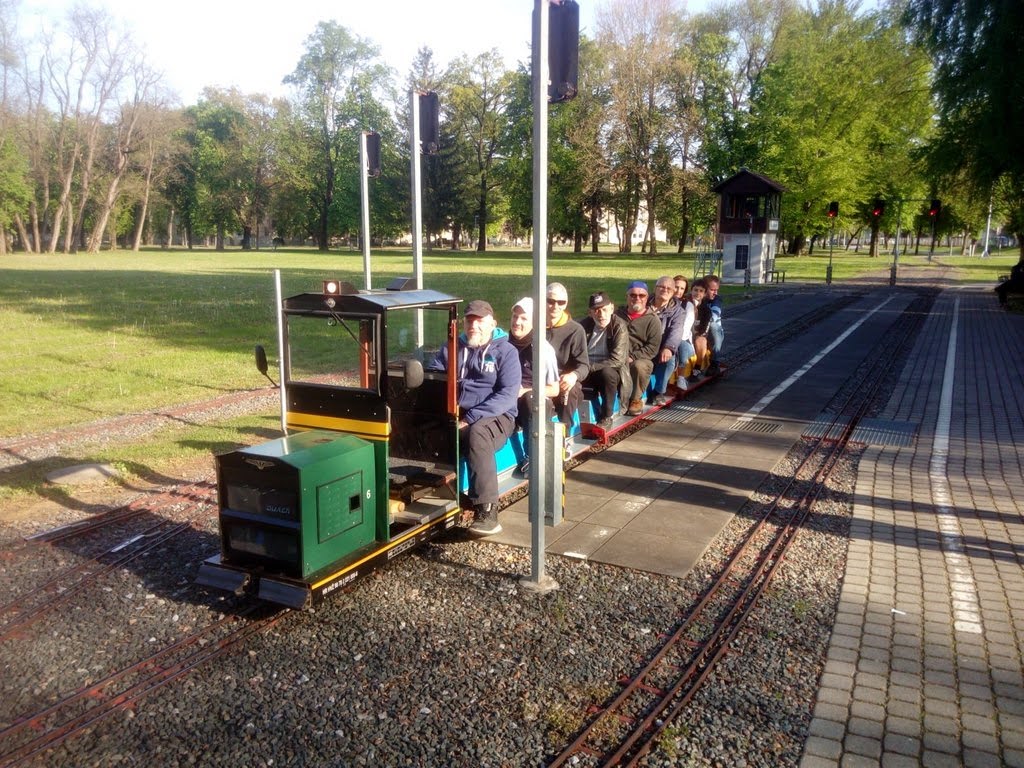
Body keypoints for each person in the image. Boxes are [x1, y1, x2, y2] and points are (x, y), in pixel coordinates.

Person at [426, 299, 521, 536]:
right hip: (458, 413)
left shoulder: (506, 352)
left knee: (477, 434)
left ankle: (487, 512)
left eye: (479, 321)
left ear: (492, 324)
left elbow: (508, 396)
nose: (473, 326)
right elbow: (434, 378)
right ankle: (442, 494)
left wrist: (471, 417)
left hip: (497, 416)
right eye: (470, 321)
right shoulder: (451, 348)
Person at [508, 297, 559, 477]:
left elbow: (554, 389)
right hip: (506, 396)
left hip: (530, 400)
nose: (517, 322)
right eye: (515, 317)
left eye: (523, 318)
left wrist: (525, 391)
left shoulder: (543, 350)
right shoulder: (502, 344)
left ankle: (532, 457)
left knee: (531, 401)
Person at [579, 291, 629, 428]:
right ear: (590, 312)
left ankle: (606, 417)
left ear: (612, 309)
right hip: (586, 368)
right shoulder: (583, 326)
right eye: (596, 310)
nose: (601, 314)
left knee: (608, 374)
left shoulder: (619, 327)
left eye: (604, 309)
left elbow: (617, 360)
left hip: (609, 369)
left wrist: (589, 367)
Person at [545, 282, 590, 425]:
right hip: (535, 378)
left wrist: (573, 376)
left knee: (569, 390)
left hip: (562, 382)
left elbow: (584, 365)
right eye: (550, 301)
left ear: (566, 304)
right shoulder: (532, 325)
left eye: (561, 302)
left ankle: (564, 435)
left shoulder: (575, 330)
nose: (555, 306)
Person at [614, 281, 662, 416]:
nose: (637, 298)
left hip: (640, 358)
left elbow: (653, 347)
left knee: (638, 366)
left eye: (642, 296)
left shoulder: (653, 320)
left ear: (647, 298)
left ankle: (635, 399)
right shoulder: (617, 316)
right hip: (617, 356)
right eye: (633, 295)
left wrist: (632, 357)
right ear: (627, 297)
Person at [648, 276, 685, 405]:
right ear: (655, 288)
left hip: (661, 347)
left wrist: (669, 347)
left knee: (668, 360)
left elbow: (676, 331)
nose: (665, 290)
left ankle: (659, 392)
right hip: (643, 347)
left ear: (674, 292)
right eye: (661, 287)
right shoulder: (644, 304)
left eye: (669, 288)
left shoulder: (678, 312)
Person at [688, 279, 712, 380]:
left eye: (701, 291)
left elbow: (704, 329)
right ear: (691, 291)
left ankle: (697, 368)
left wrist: (697, 334)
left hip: (697, 334)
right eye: (695, 290)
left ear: (705, 294)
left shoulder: (706, 310)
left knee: (701, 341)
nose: (698, 293)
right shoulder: (685, 304)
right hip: (684, 334)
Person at [704, 274, 724, 375]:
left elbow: (714, 315)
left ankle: (715, 363)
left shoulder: (717, 300)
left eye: (717, 290)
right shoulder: (698, 296)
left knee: (713, 326)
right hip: (699, 329)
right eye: (712, 290)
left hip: (714, 329)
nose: (715, 292)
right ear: (705, 289)